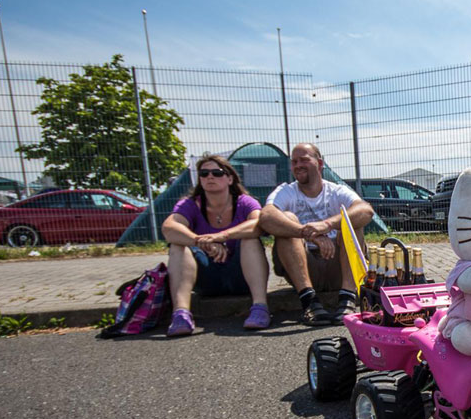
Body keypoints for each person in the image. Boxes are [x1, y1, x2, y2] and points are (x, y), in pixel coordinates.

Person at [258, 143, 375, 326]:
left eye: (304, 159)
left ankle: (347, 298)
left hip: (338, 266)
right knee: (286, 220)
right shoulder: (286, 191)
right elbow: (266, 217)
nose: (298, 165)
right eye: (294, 161)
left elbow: (366, 211)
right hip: (304, 266)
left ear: (320, 163)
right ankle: (309, 302)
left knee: (352, 222)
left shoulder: (336, 191)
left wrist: (327, 225)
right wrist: (307, 234)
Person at [160, 155, 271, 336]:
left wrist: (221, 236)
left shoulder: (244, 202)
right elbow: (169, 227)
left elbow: (258, 224)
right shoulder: (190, 204)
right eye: (204, 173)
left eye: (217, 173)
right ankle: (181, 314)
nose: (210, 177)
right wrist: (202, 242)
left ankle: (260, 307)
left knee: (250, 239)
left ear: (230, 178)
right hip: (206, 277)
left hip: (241, 276)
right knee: (177, 245)